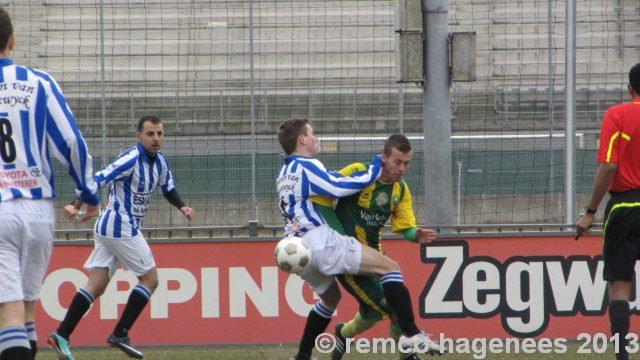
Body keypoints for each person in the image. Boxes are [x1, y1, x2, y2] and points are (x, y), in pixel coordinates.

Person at [277, 119, 438, 360]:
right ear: (302, 139)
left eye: (406, 163)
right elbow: (336, 187)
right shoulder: (305, 165)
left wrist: (414, 233)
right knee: (391, 268)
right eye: (312, 134)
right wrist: (374, 168)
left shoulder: (284, 173)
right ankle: (412, 334)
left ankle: (303, 355)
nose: (316, 138)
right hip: (321, 242)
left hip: (297, 248)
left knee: (331, 299)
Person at [47, 115, 195, 360]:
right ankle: (120, 333)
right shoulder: (130, 158)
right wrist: (76, 204)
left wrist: (182, 207)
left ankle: (62, 334)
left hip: (110, 228)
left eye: (159, 133)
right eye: (150, 134)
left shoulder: (161, 163)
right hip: (120, 225)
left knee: (96, 286)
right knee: (150, 279)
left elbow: (168, 188)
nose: (156, 138)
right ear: (139, 137)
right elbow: (98, 179)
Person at [0, 7, 99, 360]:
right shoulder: (39, 82)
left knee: (6, 314)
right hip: (39, 211)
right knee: (27, 313)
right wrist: (87, 192)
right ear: (11, 40)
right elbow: (71, 142)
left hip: (0, 213)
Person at [576, 62, 640, 360]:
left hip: (625, 205)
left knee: (620, 285)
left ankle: (623, 356)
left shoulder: (618, 115)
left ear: (630, 89)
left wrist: (590, 211)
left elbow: (610, 165)